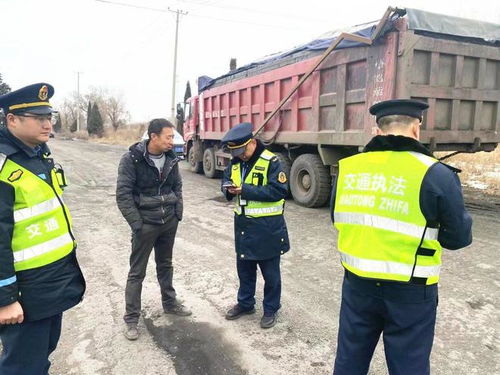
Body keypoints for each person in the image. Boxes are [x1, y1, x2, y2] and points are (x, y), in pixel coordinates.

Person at [331, 99, 473, 374]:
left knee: (350, 360)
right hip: (411, 290)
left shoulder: (348, 169)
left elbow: (337, 218)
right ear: (416, 128)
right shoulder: (436, 174)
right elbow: (457, 238)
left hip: (358, 285)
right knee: (409, 366)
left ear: (378, 130)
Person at [0, 83, 86, 374]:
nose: (48, 123)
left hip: (51, 282)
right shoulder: (4, 166)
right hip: (25, 288)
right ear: (12, 120)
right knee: (23, 366)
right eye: (38, 118)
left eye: (49, 116)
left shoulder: (38, 155)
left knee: (41, 357)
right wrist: (5, 299)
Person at [116, 118, 191, 341]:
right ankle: (131, 319)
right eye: (168, 137)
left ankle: (170, 304)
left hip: (168, 221)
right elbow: (123, 195)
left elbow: (177, 186)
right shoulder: (132, 159)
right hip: (145, 223)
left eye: (173, 137)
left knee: (165, 265)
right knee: (137, 272)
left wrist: (177, 212)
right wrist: (137, 224)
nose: (172, 141)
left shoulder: (171, 159)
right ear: (154, 136)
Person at [221, 122, 290, 329]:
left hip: (267, 228)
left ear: (252, 143)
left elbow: (279, 191)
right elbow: (225, 181)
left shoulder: (272, 161)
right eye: (236, 152)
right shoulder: (235, 163)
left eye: (242, 150)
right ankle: (245, 303)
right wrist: (228, 190)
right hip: (243, 227)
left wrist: (245, 190)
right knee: (245, 270)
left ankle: (270, 309)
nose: (240, 155)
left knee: (271, 275)